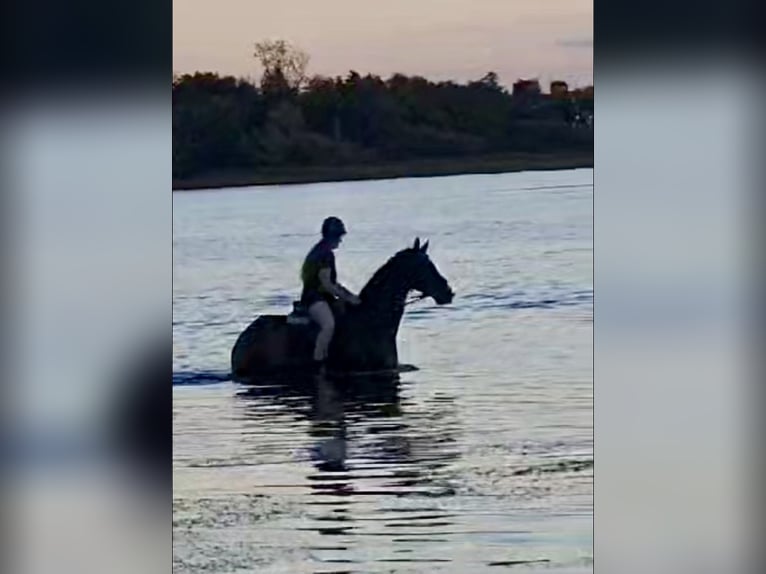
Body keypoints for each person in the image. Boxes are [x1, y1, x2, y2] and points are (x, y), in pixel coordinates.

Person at [300, 216, 361, 371]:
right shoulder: (325, 254)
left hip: (323, 296)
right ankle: (318, 362)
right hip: (314, 298)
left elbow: (333, 284)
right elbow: (327, 284)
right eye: (339, 237)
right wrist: (347, 298)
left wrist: (350, 296)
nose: (340, 241)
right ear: (333, 236)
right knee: (328, 325)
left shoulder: (321, 249)